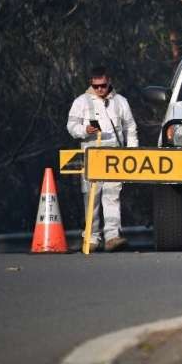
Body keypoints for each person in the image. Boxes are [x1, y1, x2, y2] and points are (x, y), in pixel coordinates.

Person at [66, 66, 138, 252]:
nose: (100, 90)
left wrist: (132, 153)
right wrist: (84, 130)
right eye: (96, 86)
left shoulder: (121, 102)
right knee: (91, 197)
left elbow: (130, 128)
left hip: (114, 156)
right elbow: (71, 125)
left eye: (103, 86)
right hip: (91, 155)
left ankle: (112, 237)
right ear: (91, 84)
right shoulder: (81, 102)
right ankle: (91, 238)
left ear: (109, 82)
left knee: (112, 196)